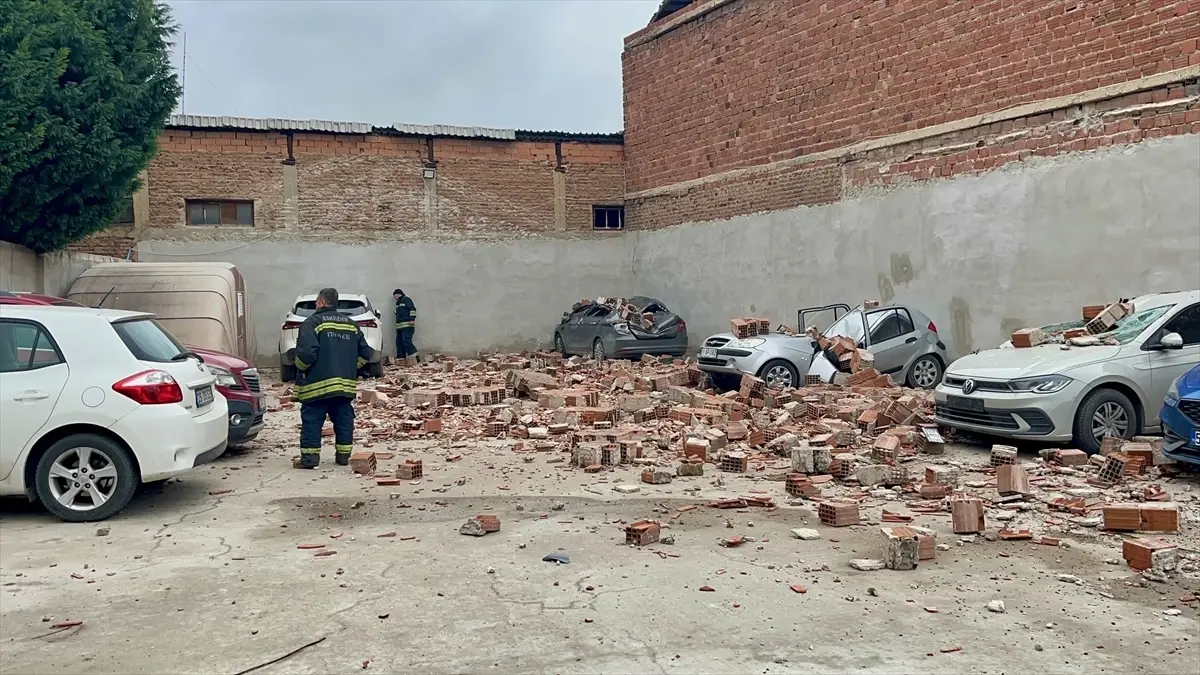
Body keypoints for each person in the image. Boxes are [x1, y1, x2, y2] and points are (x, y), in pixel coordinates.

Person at [293, 287, 373, 469]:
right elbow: (365, 353)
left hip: (316, 386)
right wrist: (350, 368)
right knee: (344, 420)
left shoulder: (312, 322)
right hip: (344, 387)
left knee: (312, 422)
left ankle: (310, 461)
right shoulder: (351, 324)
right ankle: (344, 457)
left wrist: (301, 368)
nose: (315, 305)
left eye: (316, 302)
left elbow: (306, 354)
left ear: (321, 302)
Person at [393, 288, 418, 366]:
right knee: (399, 342)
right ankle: (401, 358)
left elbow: (412, 309)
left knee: (406, 341)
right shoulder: (398, 303)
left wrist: (412, 319)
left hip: (407, 325)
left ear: (397, 294)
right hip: (400, 327)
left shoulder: (406, 300)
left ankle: (415, 357)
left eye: (394, 296)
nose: (394, 298)